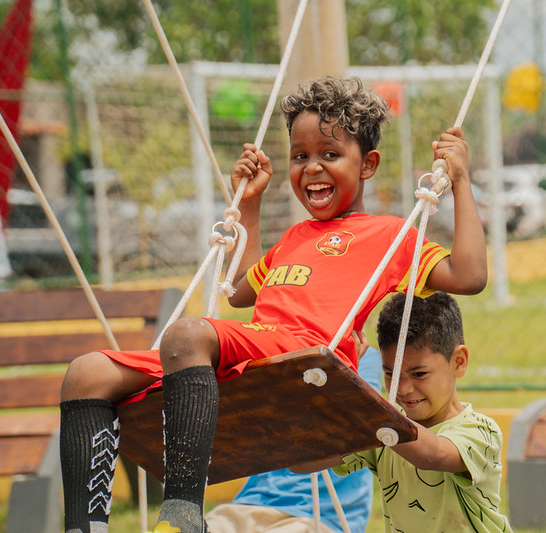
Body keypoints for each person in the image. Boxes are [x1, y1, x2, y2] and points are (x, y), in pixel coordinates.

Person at [58, 76, 488, 533]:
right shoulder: (294, 238)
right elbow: (244, 290)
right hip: (254, 357)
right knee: (87, 373)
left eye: (330, 154)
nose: (312, 167)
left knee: (186, 334)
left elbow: (468, 275)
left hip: (308, 361)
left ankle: (182, 517)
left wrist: (460, 181)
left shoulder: (386, 235)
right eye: (300, 156)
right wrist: (250, 202)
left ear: (368, 164)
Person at [292, 291, 511, 532]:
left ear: (458, 362)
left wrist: (351, 388)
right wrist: (323, 385)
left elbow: (432, 455)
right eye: (391, 374)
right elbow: (300, 461)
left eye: (419, 374)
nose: (404, 389)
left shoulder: (480, 432)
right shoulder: (384, 429)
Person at [204, 346, 382, 533]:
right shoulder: (275, 349)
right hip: (248, 505)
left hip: (318, 515)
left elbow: (360, 419)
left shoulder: (360, 355)